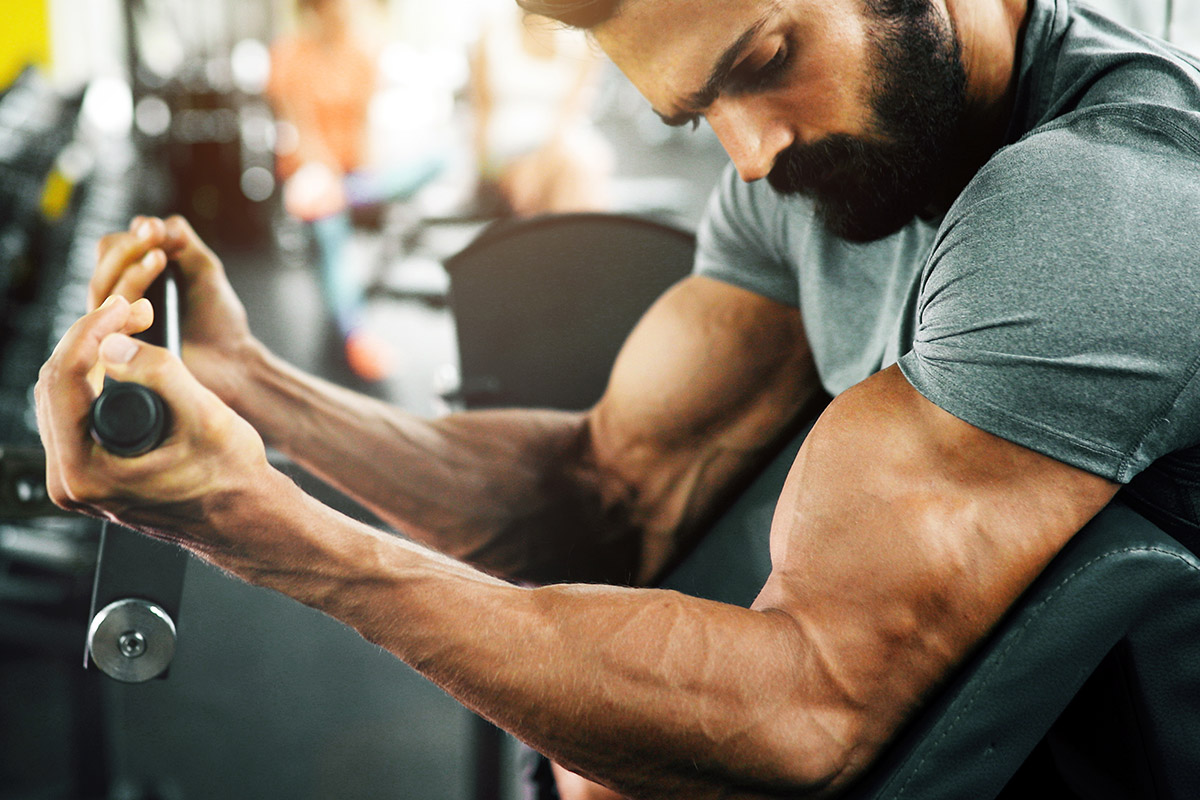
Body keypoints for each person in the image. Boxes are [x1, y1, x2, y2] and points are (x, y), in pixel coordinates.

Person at [36, 0, 1200, 798]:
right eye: (700, 112)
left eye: (765, 59)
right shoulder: (801, 173)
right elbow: (607, 487)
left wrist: (258, 525)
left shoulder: (1107, 200)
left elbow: (808, 708)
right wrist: (259, 391)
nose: (748, 156)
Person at [267, 0, 444, 381]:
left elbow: (363, 130)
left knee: (437, 158)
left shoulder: (362, 53)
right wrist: (329, 179)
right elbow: (303, 131)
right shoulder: (288, 55)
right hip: (312, 172)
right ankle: (355, 335)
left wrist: (359, 182)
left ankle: (343, 197)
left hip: (354, 180)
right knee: (330, 228)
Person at [468, 4, 614, 216]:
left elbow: (572, 111)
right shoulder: (493, 34)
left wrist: (542, 163)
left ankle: (560, 234)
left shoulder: (579, 41)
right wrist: (488, 169)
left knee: (577, 165)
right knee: (567, 172)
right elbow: (481, 109)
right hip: (505, 146)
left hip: (560, 145)